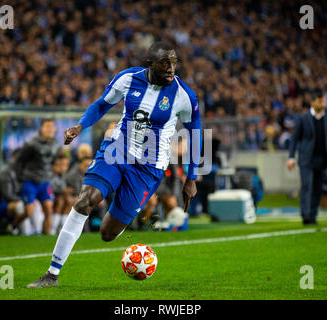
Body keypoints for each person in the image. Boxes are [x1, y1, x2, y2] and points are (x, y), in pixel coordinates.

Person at [27, 41, 201, 288]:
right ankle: (52, 274)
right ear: (150, 64)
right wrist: (80, 125)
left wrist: (191, 178)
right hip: (117, 151)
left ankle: (121, 205)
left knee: (107, 234)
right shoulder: (128, 78)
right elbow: (101, 104)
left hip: (148, 169)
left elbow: (195, 135)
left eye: (174, 62)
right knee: (85, 201)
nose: (171, 68)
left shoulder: (184, 96)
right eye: (165, 63)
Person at [287, 89, 327, 225]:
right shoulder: (303, 118)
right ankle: (305, 214)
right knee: (307, 186)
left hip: (322, 159)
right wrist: (291, 157)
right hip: (306, 159)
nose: (323, 104)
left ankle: (313, 214)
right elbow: (295, 139)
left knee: (317, 188)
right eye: (321, 101)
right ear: (313, 102)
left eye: (324, 101)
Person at [15, 119, 62, 234]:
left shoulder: (56, 144)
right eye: (47, 126)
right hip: (30, 180)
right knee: (29, 211)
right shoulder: (31, 143)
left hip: (45, 181)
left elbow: (53, 161)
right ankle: (13, 226)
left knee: (48, 209)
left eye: (52, 126)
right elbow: (20, 161)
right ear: (41, 128)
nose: (50, 129)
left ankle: (46, 237)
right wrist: (20, 179)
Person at [0, 149, 25, 233]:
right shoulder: (6, 171)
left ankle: (35, 232)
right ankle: (24, 233)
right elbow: (7, 195)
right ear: (14, 158)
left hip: (9, 202)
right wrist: (24, 200)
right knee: (22, 205)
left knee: (32, 204)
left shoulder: (19, 171)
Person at [50, 155, 70, 235]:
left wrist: (65, 191)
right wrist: (63, 191)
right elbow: (49, 187)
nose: (63, 167)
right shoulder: (49, 174)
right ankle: (53, 228)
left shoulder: (62, 175)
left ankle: (62, 227)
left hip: (58, 195)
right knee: (61, 201)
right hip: (49, 196)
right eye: (59, 165)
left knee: (68, 200)